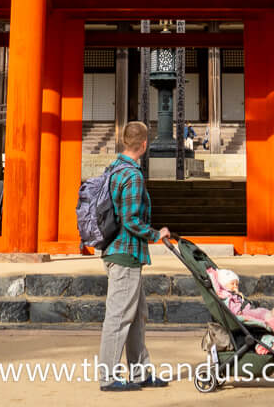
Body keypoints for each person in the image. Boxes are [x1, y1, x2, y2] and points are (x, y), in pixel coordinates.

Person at [98, 121, 172, 391]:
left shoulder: (113, 169)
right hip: (125, 253)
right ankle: (108, 377)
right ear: (143, 145)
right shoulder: (133, 175)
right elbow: (130, 220)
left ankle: (140, 372)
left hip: (115, 250)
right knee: (118, 317)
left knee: (137, 314)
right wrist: (156, 234)